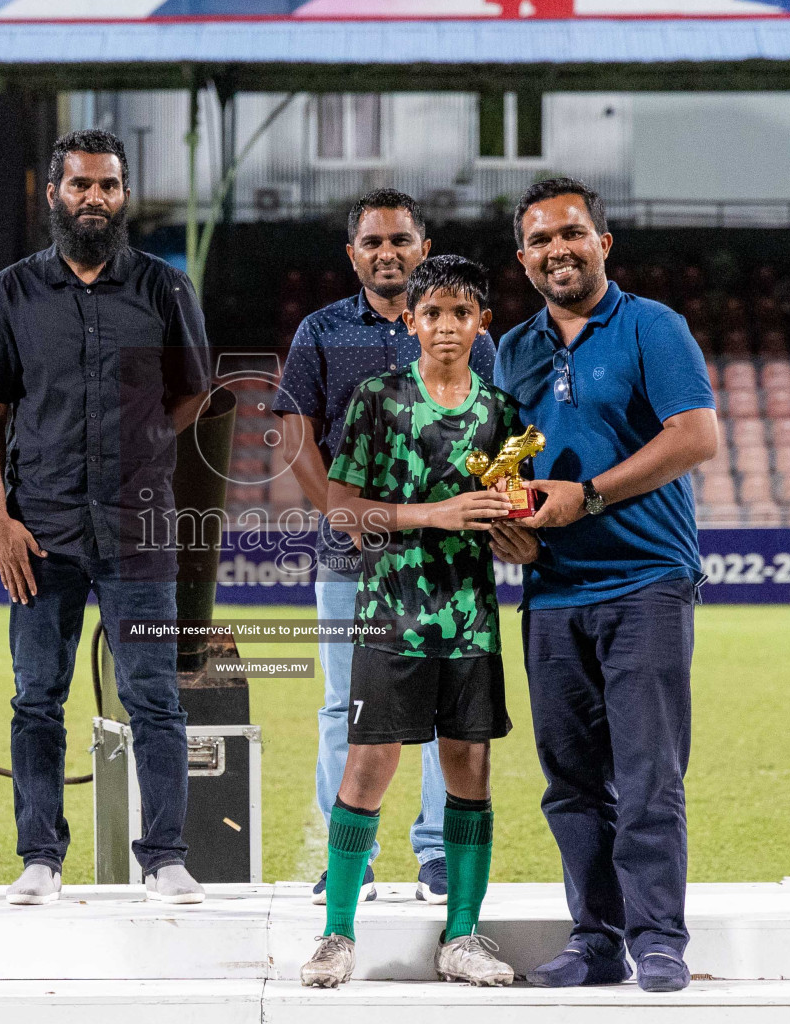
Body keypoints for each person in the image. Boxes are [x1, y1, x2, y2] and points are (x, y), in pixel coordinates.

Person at [0, 129, 212, 906]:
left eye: (107, 185)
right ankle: (40, 857)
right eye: (80, 186)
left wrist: (142, 444)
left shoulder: (166, 288)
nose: (94, 198)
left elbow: (194, 390)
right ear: (54, 194)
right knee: (37, 696)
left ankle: (164, 856)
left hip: (139, 529)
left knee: (156, 698)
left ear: (124, 195)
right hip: (40, 531)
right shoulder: (11, 291)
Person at [490, 177, 718, 993]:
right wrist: (506, 528)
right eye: (542, 240)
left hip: (646, 582)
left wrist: (588, 495)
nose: (559, 249)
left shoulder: (653, 327)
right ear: (524, 259)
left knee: (649, 772)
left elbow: (696, 437)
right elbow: (503, 470)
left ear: (603, 243)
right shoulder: (511, 353)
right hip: (551, 592)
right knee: (573, 783)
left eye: (573, 233)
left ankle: (659, 939)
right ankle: (596, 938)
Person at [300, 256, 520, 989]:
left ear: (481, 323)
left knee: (470, 766)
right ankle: (336, 932)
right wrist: (435, 514)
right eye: (433, 314)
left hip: (470, 616)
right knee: (370, 763)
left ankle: (462, 935)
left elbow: (513, 516)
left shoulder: (500, 411)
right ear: (410, 321)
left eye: (461, 313)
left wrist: (519, 533)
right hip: (391, 610)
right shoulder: (377, 399)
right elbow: (342, 505)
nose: (447, 326)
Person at [276, 189, 497, 907]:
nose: (387, 252)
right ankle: (354, 854)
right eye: (372, 242)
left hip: (447, 553)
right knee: (346, 705)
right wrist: (340, 514)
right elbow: (294, 432)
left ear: (422, 248)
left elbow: (491, 434)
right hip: (352, 555)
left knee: (446, 709)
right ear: (353, 254)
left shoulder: (466, 331)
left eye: (400, 239)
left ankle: (435, 854)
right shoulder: (320, 330)